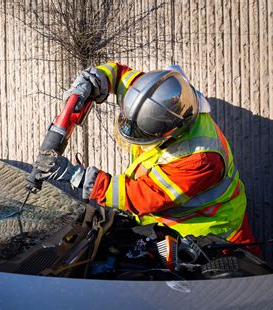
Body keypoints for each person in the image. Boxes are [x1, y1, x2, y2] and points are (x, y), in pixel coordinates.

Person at [37, 62, 260, 255]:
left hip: (212, 240)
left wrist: (78, 177)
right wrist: (96, 80)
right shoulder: (155, 95)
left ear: (169, 133)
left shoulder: (199, 158)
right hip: (167, 230)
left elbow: (144, 196)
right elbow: (119, 74)